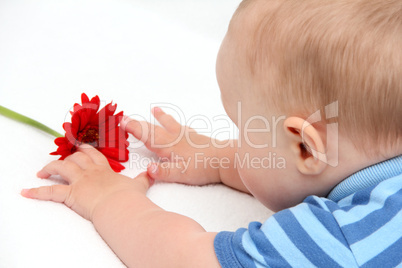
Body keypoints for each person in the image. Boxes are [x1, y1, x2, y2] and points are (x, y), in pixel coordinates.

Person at [21, 0, 402, 267]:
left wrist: (110, 200)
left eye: (243, 129)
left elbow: (190, 260)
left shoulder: (342, 242)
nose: (234, 137)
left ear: (305, 147)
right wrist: (220, 158)